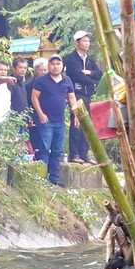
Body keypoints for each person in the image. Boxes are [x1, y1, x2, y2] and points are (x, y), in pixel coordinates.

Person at [31, 55, 77, 185]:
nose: (55, 66)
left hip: (60, 121)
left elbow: (72, 98)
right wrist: (40, 114)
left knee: (57, 150)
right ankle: (42, 178)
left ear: (62, 66)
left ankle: (54, 178)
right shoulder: (42, 81)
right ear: (48, 66)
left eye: (58, 64)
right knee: (44, 149)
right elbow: (34, 97)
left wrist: (76, 115)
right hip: (46, 120)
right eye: (52, 64)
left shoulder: (67, 80)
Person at [63, 31, 100, 163]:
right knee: (76, 123)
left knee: (87, 124)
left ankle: (84, 154)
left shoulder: (89, 59)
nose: (87, 44)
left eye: (88, 41)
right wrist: (92, 81)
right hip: (76, 94)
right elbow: (77, 76)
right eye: (84, 41)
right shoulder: (70, 59)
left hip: (88, 94)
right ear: (77, 43)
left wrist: (89, 72)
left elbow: (99, 74)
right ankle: (74, 154)